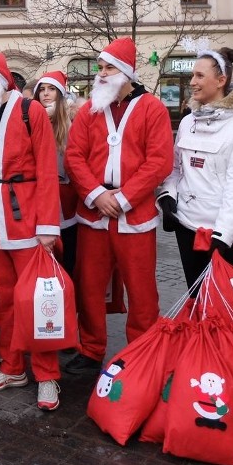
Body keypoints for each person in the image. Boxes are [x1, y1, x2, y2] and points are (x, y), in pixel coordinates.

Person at [0, 52, 63, 411]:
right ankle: (12, 365)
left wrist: (48, 225)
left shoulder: (29, 111)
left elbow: (48, 169)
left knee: (37, 300)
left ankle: (47, 374)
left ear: (3, 81)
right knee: (4, 299)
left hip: (27, 220)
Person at [64, 38, 173, 374]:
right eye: (100, 68)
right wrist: (97, 194)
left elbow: (159, 162)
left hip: (134, 213)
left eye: (108, 67)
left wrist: (124, 198)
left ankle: (141, 351)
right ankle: (91, 348)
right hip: (95, 211)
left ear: (126, 72)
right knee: (90, 285)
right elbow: (74, 157)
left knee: (141, 288)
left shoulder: (152, 108)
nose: (101, 74)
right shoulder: (89, 111)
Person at [158, 48, 233, 288]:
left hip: (221, 235)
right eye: (193, 75)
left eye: (200, 76)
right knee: (195, 299)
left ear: (221, 80)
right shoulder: (187, 121)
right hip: (187, 226)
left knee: (222, 308)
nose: (192, 82)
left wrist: (223, 235)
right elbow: (176, 168)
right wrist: (168, 195)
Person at [33, 71, 78, 275]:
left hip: (65, 203)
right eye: (41, 90)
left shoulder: (70, 127)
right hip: (38, 199)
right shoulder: (29, 121)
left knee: (67, 259)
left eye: (51, 89)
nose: (45, 94)